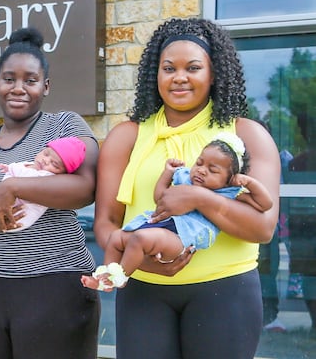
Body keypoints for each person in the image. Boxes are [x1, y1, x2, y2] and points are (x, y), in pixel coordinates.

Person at [93, 18, 280, 358]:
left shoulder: (246, 135)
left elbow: (263, 227)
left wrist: (196, 196)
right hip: (143, 292)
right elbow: (105, 223)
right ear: (156, 75)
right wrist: (139, 263)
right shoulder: (127, 136)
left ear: (214, 74)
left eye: (193, 67)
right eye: (169, 68)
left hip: (225, 292)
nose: (179, 77)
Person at [0, 28, 101, 359]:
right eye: (9, 79)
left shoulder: (64, 126)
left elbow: (85, 189)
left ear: (46, 86)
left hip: (55, 286)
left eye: (30, 80)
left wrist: (11, 187)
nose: (18, 88)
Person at [83, 133, 273, 292]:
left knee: (140, 239)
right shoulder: (185, 177)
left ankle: (121, 277)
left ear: (229, 179)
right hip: (157, 226)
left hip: (180, 237)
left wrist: (250, 183)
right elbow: (160, 197)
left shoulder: (228, 192)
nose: (201, 170)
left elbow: (265, 204)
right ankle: (105, 278)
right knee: (116, 238)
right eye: (199, 163)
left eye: (212, 170)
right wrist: (167, 173)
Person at [0, 136, 86, 231]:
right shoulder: (32, 164)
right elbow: (21, 169)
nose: (45, 161)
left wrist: (12, 175)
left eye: (54, 164)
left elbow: (26, 177)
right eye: (46, 154)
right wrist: (8, 168)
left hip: (21, 211)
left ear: (62, 172)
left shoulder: (47, 176)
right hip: (11, 205)